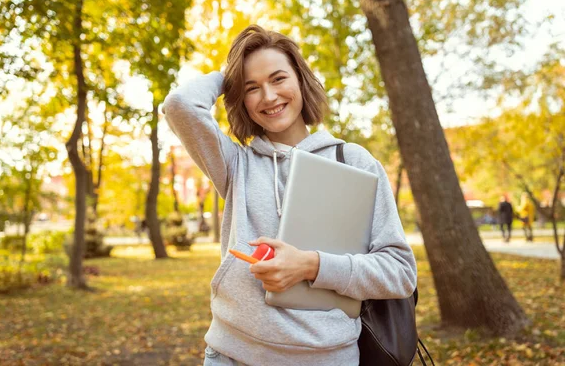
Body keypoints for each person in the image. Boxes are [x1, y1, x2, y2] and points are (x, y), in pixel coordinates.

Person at [163, 25, 417, 366]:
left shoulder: (354, 161)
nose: (268, 97)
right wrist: (230, 75)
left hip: (327, 358)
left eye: (278, 78)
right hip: (232, 356)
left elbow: (400, 273)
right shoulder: (236, 164)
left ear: (301, 79)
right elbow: (180, 105)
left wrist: (312, 265)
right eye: (251, 88)